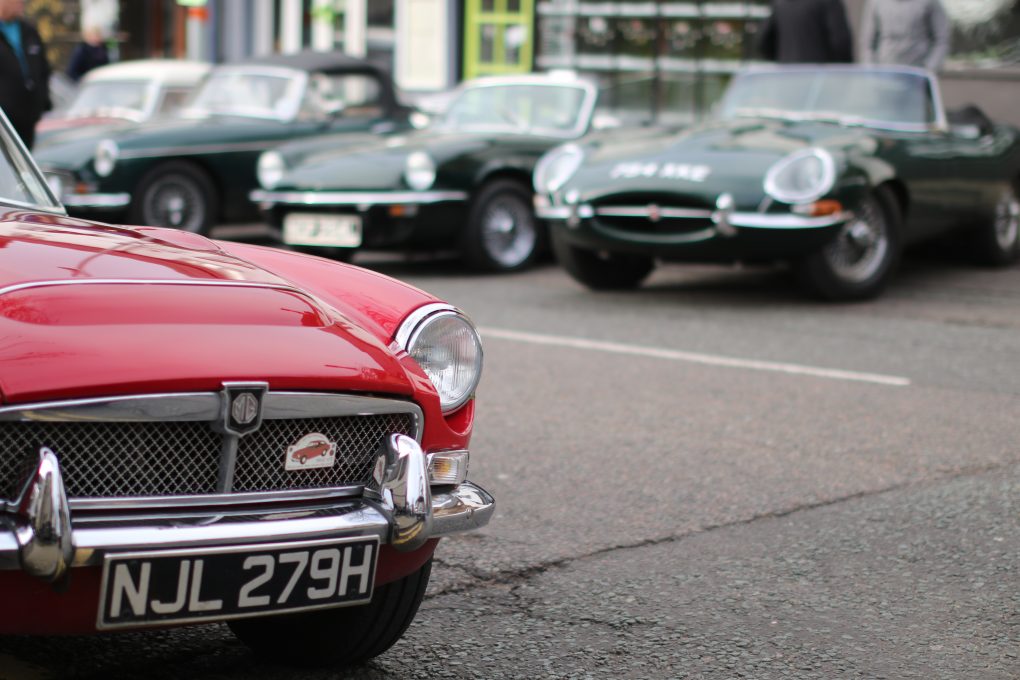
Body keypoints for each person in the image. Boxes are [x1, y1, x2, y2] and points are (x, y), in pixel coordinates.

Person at [0, 0, 50, 149]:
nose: (20, 3)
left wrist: (42, 101)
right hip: (4, 121)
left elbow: (44, 69)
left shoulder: (29, 31)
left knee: (25, 159)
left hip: (28, 118)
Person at [859, 0, 951, 72]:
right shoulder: (875, 2)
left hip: (918, 76)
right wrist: (872, 69)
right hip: (884, 74)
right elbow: (867, 42)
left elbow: (941, 40)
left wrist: (929, 69)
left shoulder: (930, 2)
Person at [757, 0, 854, 64]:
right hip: (820, 78)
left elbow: (764, 42)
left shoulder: (781, 3)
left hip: (788, 76)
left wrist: (785, 58)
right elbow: (841, 43)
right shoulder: (829, 2)